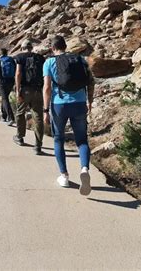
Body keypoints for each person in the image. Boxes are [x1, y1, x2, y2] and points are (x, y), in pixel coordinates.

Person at [42, 35, 95, 195]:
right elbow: (91, 82)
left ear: (52, 48)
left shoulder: (49, 62)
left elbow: (46, 88)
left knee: (59, 139)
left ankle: (64, 176)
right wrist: (89, 101)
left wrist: (45, 110)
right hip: (79, 103)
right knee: (81, 140)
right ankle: (84, 168)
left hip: (59, 105)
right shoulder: (80, 60)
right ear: (65, 46)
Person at [13, 39, 45, 154]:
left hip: (25, 89)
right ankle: (38, 145)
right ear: (31, 48)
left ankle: (20, 137)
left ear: (22, 48)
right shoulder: (40, 58)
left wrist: (17, 90)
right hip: (38, 90)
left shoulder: (19, 57)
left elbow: (18, 73)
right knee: (38, 117)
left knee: (20, 113)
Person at [0, 48, 16, 125]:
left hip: (1, 82)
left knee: (5, 99)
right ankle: (4, 116)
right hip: (11, 81)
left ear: (0, 53)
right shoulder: (11, 60)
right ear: (7, 53)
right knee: (4, 98)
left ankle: (11, 118)